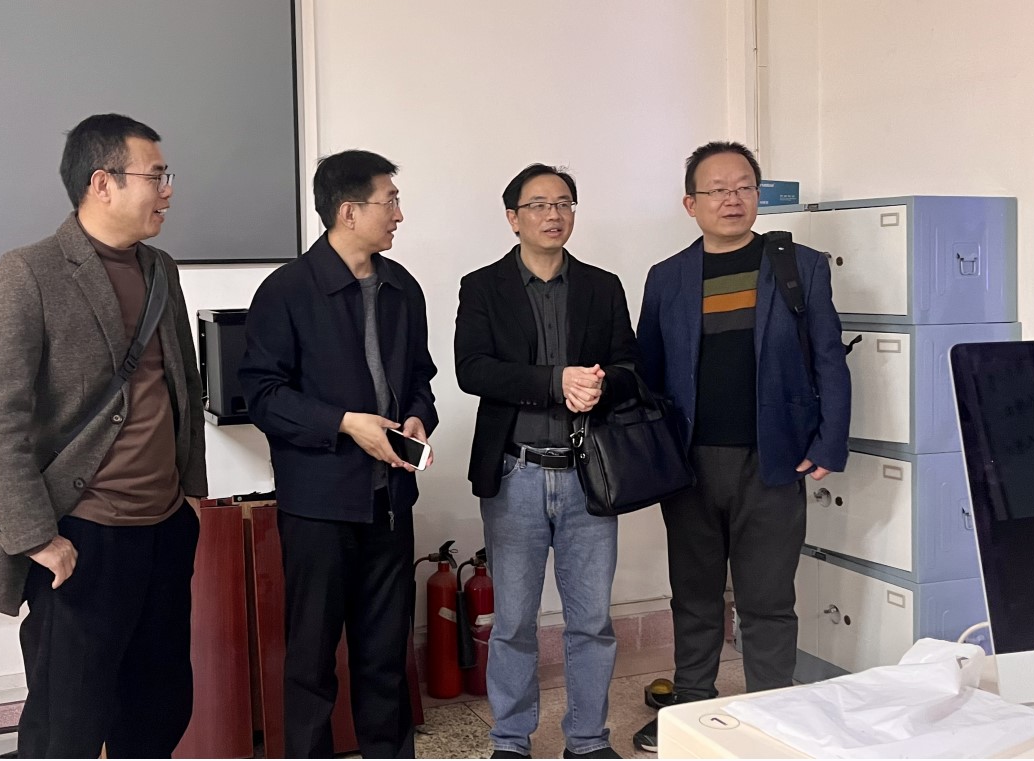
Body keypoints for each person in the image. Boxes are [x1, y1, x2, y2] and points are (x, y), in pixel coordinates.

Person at [0, 114, 207, 758]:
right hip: (83, 535)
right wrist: (37, 537)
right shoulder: (31, 271)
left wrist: (190, 497)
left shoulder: (161, 269)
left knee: (158, 709)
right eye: (156, 177)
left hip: (164, 529)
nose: (168, 191)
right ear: (103, 182)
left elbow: (183, 383)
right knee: (65, 723)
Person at [631, 141, 851, 753]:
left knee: (768, 599)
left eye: (744, 187)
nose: (732, 200)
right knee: (694, 595)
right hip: (689, 464)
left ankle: (772, 715)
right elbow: (648, 371)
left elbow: (829, 359)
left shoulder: (799, 265)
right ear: (690, 204)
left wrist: (829, 441)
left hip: (772, 460)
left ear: (757, 194)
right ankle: (692, 707)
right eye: (717, 190)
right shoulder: (667, 277)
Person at [239, 150, 438, 759]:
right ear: (349, 211)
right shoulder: (287, 291)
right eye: (389, 201)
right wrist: (346, 424)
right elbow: (263, 396)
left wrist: (417, 418)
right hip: (319, 506)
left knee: (386, 655)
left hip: (390, 501)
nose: (399, 214)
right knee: (311, 659)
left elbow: (422, 379)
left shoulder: (402, 288)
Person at [454, 164, 641, 760]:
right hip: (516, 473)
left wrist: (601, 384)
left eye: (564, 203)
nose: (553, 215)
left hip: (589, 476)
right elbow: (472, 370)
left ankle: (587, 741)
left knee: (592, 621)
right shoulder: (482, 286)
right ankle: (510, 741)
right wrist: (554, 382)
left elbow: (631, 366)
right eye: (538, 205)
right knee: (513, 623)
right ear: (513, 218)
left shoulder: (602, 286)